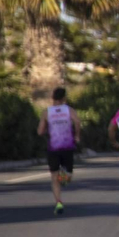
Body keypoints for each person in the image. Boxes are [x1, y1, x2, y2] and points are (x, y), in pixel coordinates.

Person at [38, 86, 80, 215]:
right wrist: (77, 135)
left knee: (54, 177)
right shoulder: (69, 110)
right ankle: (60, 199)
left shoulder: (47, 112)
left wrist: (46, 130)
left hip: (53, 148)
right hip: (67, 146)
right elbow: (77, 122)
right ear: (64, 98)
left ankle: (58, 202)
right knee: (68, 176)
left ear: (53, 98)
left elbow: (40, 131)